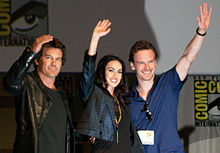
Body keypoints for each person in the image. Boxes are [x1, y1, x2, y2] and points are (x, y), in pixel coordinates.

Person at [128, 2, 212, 153]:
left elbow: (188, 57)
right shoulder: (126, 98)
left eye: (150, 62)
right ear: (132, 65)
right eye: (141, 63)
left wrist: (201, 32)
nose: (147, 67)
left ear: (155, 62)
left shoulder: (168, 82)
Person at [76, 19, 144, 153]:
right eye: (111, 70)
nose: (115, 75)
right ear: (102, 71)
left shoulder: (122, 101)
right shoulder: (94, 94)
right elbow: (87, 72)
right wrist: (95, 38)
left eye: (119, 72)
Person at [3, 35, 74, 153]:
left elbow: (64, 134)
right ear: (37, 60)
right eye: (48, 57)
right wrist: (32, 52)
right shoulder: (27, 84)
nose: (54, 63)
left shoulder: (62, 96)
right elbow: (10, 84)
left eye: (58, 59)